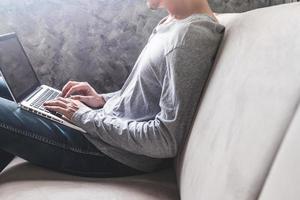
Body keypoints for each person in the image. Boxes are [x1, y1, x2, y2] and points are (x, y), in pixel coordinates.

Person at [0, 0, 225, 177]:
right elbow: (147, 98)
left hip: (114, 154)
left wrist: (84, 116)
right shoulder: (173, 23)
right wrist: (103, 100)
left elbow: (165, 141)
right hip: (105, 129)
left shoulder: (189, 38)